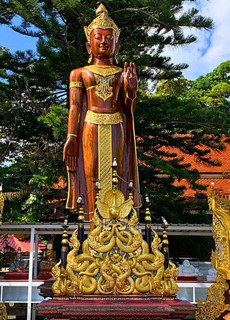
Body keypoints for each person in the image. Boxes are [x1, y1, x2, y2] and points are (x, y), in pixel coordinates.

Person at [63, 4, 140, 216]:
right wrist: (71, 136)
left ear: (116, 47)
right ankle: (93, 227)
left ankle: (119, 226)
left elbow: (128, 111)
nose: (104, 41)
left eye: (109, 38)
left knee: (119, 174)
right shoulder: (79, 73)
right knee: (90, 175)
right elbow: (75, 106)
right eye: (98, 37)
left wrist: (131, 92)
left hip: (116, 127)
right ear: (89, 46)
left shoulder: (121, 74)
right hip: (91, 126)